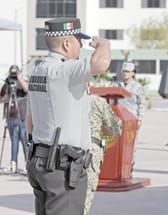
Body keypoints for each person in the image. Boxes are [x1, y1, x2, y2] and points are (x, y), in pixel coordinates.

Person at [26, 17, 111, 215]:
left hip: (41, 160)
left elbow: (29, 121)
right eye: (79, 41)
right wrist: (104, 44)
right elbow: (100, 64)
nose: (81, 46)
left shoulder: (37, 71)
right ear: (66, 43)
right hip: (62, 167)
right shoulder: (66, 69)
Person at [84, 95, 122, 215]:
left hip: (63, 152)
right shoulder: (97, 101)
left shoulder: (64, 99)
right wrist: (101, 138)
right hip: (90, 153)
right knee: (85, 196)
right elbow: (115, 128)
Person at [115, 61, 146, 172]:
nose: (125, 74)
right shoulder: (117, 85)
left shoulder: (137, 87)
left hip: (131, 120)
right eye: (124, 71)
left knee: (130, 146)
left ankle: (129, 168)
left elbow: (142, 104)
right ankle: (118, 168)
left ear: (133, 73)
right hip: (117, 120)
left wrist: (140, 119)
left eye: (127, 72)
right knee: (117, 145)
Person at [0, 65, 28, 173]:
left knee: (24, 140)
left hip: (21, 116)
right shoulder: (7, 84)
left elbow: (26, 89)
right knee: (14, 140)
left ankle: (27, 163)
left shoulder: (22, 82)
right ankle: (13, 163)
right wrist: (6, 96)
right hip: (11, 116)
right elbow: (1, 98)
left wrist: (19, 78)